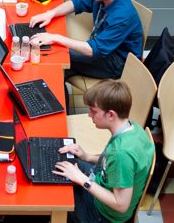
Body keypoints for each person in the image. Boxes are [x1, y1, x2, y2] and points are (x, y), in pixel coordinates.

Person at [53, 80, 154, 223]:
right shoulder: (133, 128)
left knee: (56, 196)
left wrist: (82, 180)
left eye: (93, 111)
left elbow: (121, 205)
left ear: (111, 115)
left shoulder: (121, 154)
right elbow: (110, 162)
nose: (89, 115)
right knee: (63, 163)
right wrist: (86, 156)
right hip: (101, 179)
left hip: (102, 215)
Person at [29, 0, 142, 80]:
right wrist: (50, 14)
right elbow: (76, 3)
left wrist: (55, 37)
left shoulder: (122, 16)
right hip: (101, 45)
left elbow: (93, 50)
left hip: (115, 62)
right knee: (59, 57)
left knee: (57, 54)